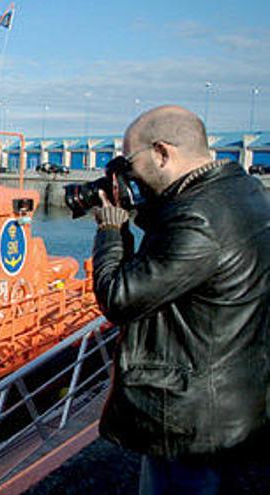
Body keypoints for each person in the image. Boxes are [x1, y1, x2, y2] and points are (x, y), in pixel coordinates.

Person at [91, 105, 270, 494]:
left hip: (192, 419)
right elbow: (183, 252)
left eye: (129, 162)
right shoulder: (240, 189)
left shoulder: (198, 220)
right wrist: (143, 206)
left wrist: (110, 227)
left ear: (161, 152)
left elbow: (118, 298)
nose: (126, 172)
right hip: (232, 395)